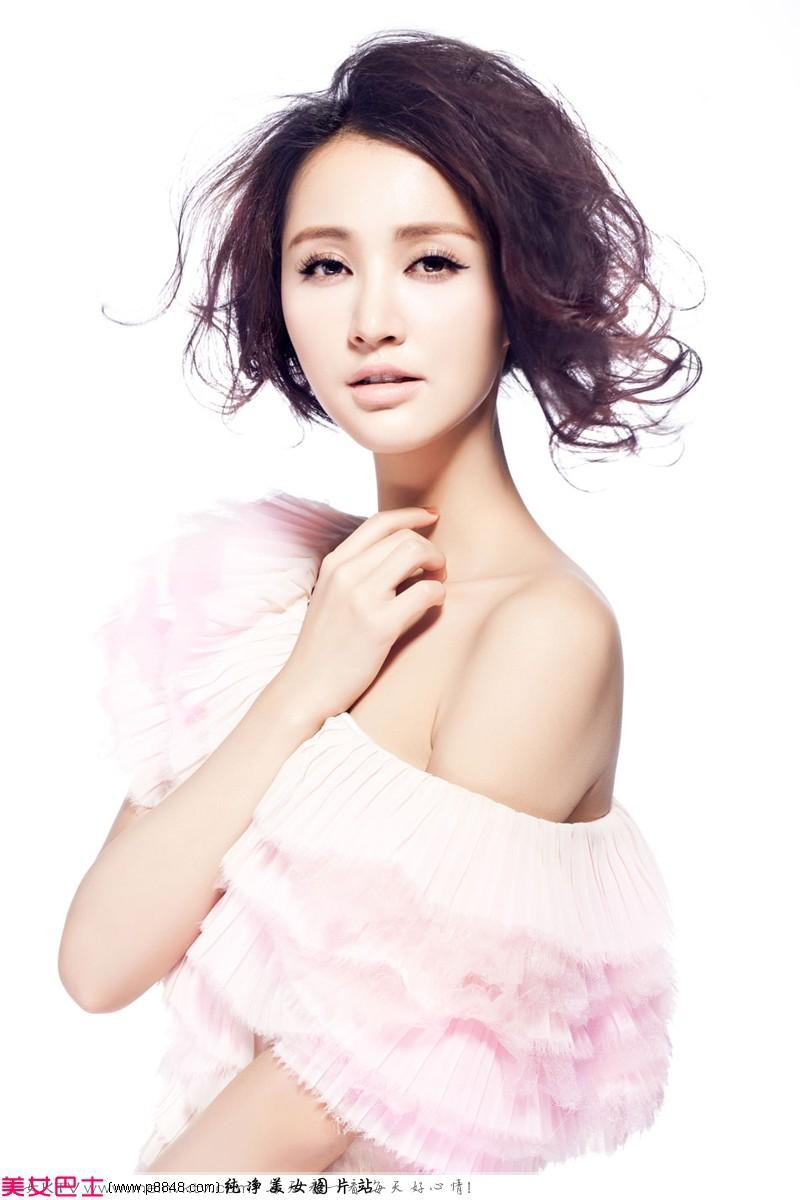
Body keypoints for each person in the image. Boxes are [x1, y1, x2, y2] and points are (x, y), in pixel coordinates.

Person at [58, 29, 697, 1176]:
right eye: (323, 266)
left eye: (431, 263)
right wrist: (305, 682)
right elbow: (98, 965)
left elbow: (330, 1087)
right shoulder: (268, 590)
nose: (370, 321)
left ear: (514, 289)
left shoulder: (542, 637)